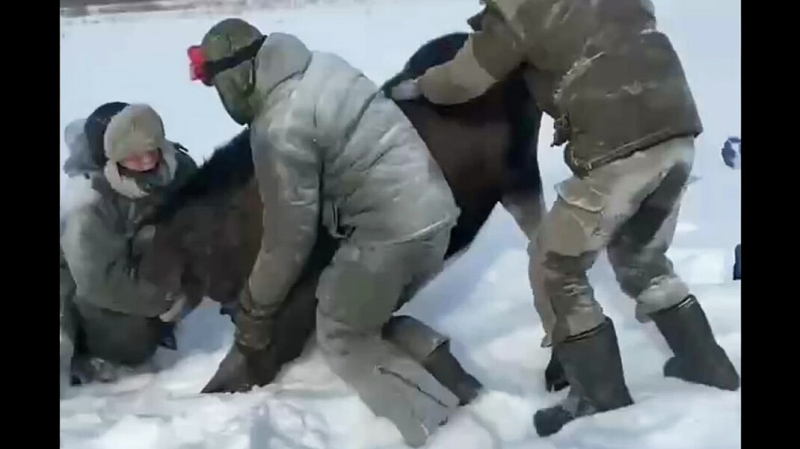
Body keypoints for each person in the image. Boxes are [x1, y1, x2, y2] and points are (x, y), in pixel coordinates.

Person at [389, 0, 740, 436]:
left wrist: (420, 87)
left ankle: (599, 396)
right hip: (678, 130)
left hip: (619, 147)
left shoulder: (517, 9)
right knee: (643, 262)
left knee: (555, 266)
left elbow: (464, 80)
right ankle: (706, 363)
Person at [188, 18, 471, 447]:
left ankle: (438, 429)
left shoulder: (279, 125)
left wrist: (255, 311)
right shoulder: (321, 65)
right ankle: (458, 382)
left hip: (392, 232)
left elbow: (288, 239)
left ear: (236, 79)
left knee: (342, 337)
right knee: (361, 313)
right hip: (434, 213)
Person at [60, 102, 199, 390]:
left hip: (141, 278)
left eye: (152, 151)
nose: (148, 161)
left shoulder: (179, 168)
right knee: (131, 342)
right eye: (134, 157)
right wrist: (166, 299)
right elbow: (101, 281)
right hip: (92, 286)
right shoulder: (89, 206)